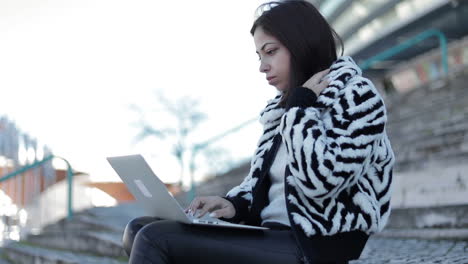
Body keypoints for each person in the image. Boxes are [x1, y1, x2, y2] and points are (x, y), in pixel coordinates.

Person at [123, 1, 395, 263]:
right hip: (271, 236)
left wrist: (300, 109)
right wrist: (234, 205)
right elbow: (261, 181)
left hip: (313, 246)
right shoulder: (284, 107)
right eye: (259, 55)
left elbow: (321, 182)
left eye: (271, 51)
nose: (262, 66)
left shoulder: (356, 96)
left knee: (155, 239)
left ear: (301, 45)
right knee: (138, 229)